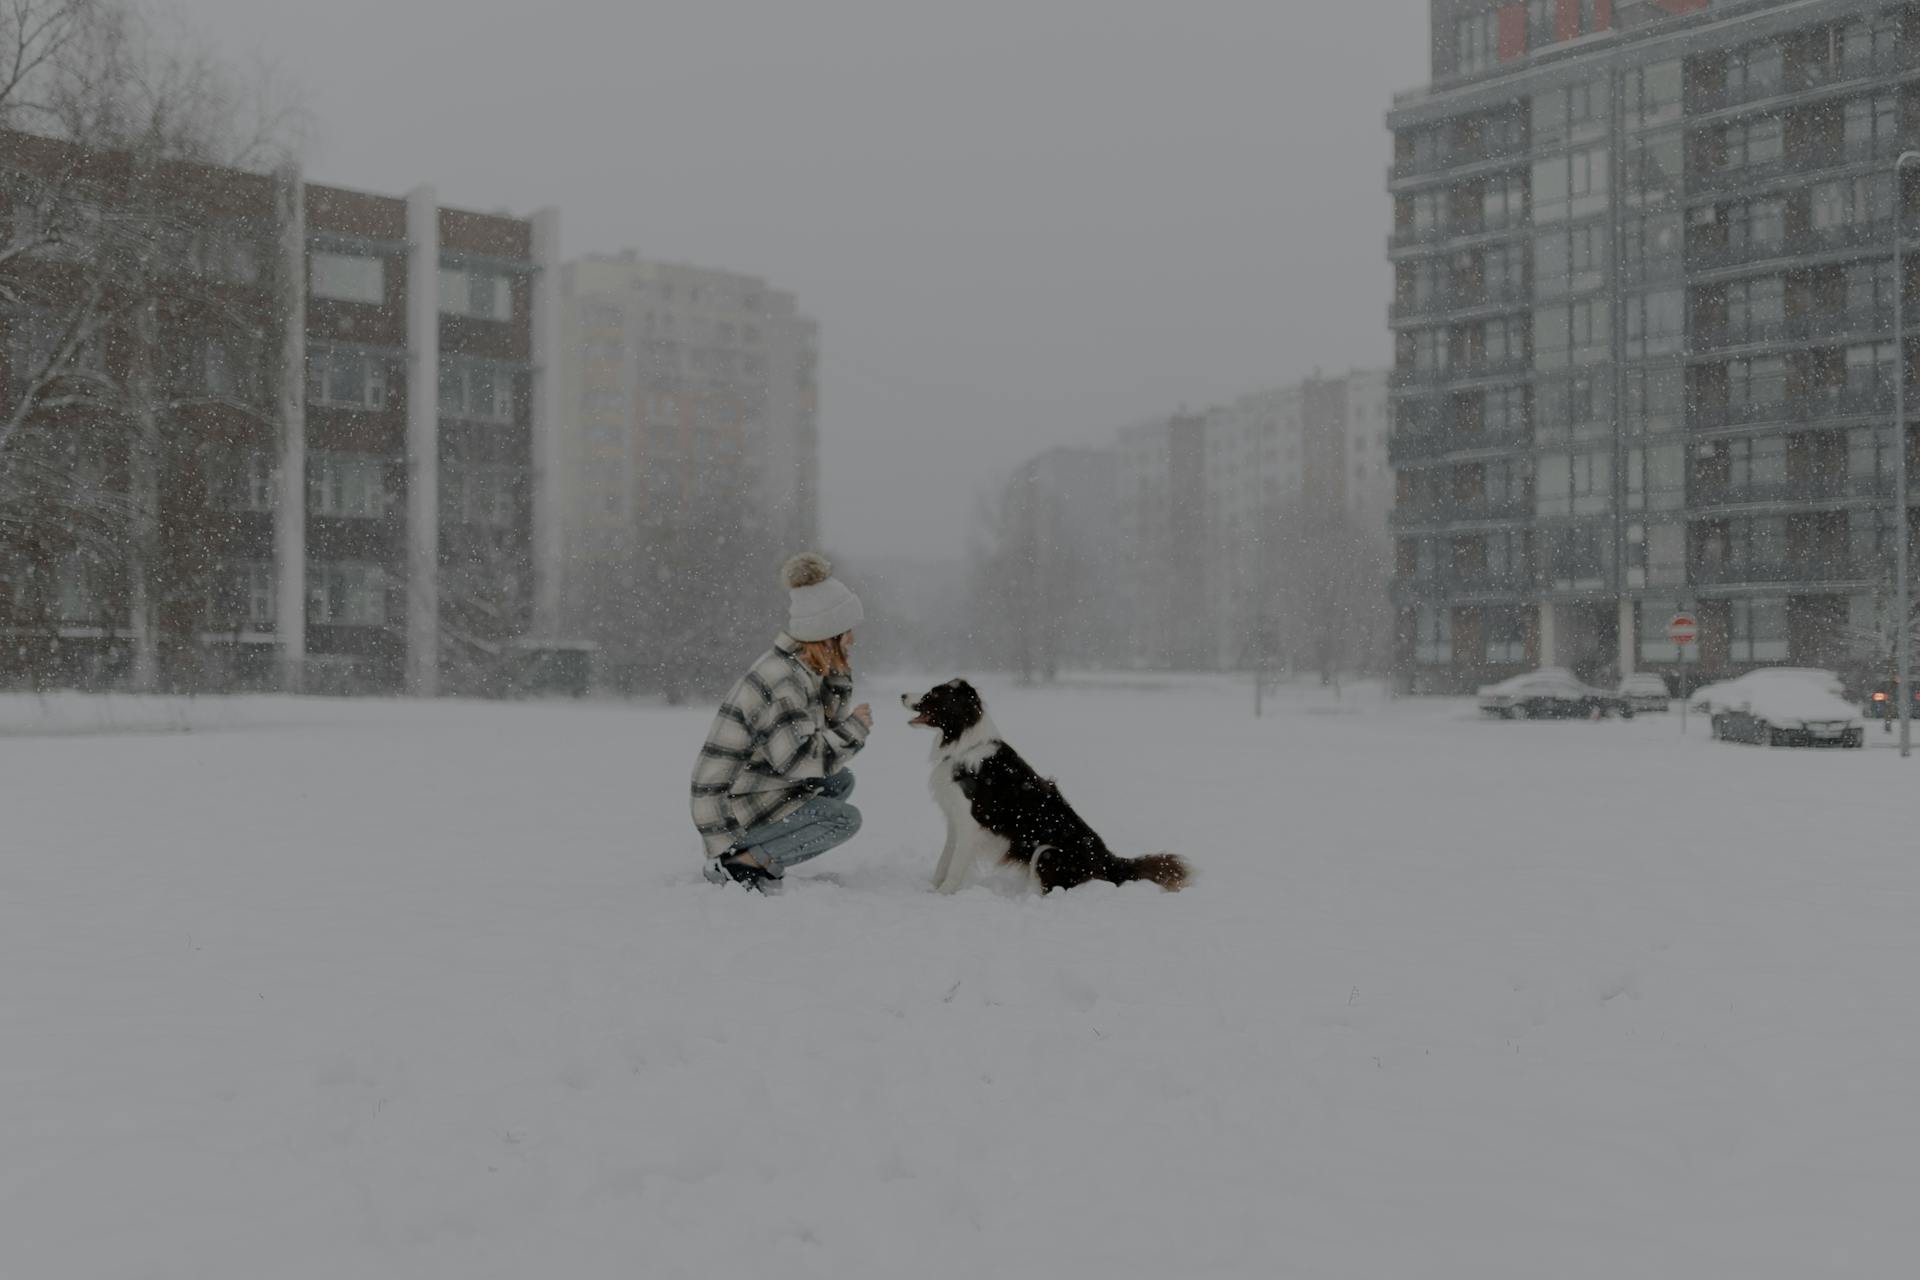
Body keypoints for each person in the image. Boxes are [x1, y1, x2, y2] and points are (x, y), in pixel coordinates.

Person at [690, 552, 874, 893]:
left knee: (839, 779)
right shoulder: (783, 681)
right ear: (827, 635)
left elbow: (819, 736)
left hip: (751, 787)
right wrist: (855, 730)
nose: (853, 640)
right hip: (726, 811)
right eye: (847, 632)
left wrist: (838, 680)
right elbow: (799, 760)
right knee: (845, 820)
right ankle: (738, 862)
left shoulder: (802, 669)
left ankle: (756, 850)